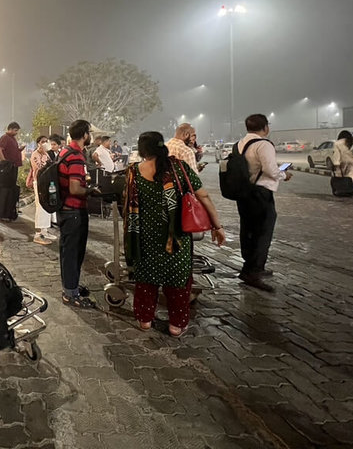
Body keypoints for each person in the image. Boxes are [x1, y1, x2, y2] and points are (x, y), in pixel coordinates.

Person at [124, 132, 225, 337]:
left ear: (142, 150)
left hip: (145, 238)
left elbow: (127, 202)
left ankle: (145, 320)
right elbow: (203, 196)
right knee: (177, 282)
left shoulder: (133, 172)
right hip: (176, 237)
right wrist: (217, 226)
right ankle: (176, 325)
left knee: (146, 280)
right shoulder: (179, 168)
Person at [235, 114, 292, 292]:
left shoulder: (239, 144)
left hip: (244, 192)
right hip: (261, 193)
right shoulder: (264, 144)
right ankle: (254, 271)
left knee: (247, 230)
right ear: (265, 127)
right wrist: (284, 174)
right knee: (262, 232)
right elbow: (271, 170)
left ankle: (249, 267)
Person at [57, 120, 97, 308]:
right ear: (85, 135)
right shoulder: (76, 157)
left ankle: (70, 287)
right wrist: (90, 190)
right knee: (73, 253)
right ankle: (71, 294)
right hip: (73, 210)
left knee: (68, 252)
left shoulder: (65, 151)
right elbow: (74, 188)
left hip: (65, 209)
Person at [26, 135, 56, 245]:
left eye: (46, 141)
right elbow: (38, 169)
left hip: (47, 183)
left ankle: (45, 230)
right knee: (40, 207)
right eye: (43, 141)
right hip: (39, 183)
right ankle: (38, 234)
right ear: (38, 143)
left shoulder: (46, 154)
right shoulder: (35, 154)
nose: (45, 143)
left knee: (47, 206)